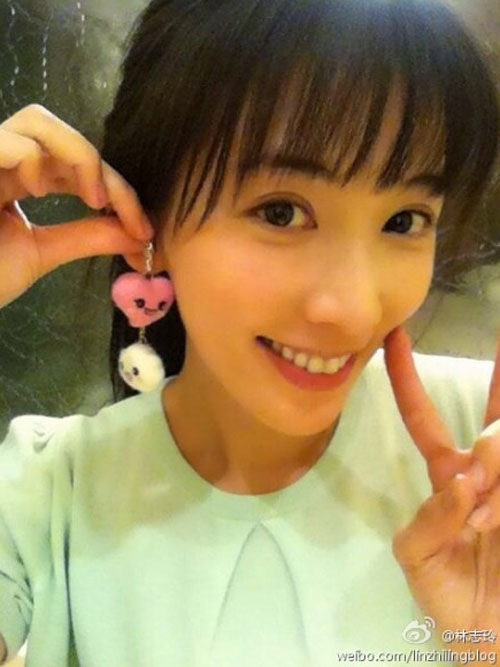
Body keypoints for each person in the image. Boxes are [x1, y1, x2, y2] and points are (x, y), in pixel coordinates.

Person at [0, 0, 499, 665]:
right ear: (148, 216)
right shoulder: (47, 496)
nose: (354, 309)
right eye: (281, 211)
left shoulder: (483, 454)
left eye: (404, 221)